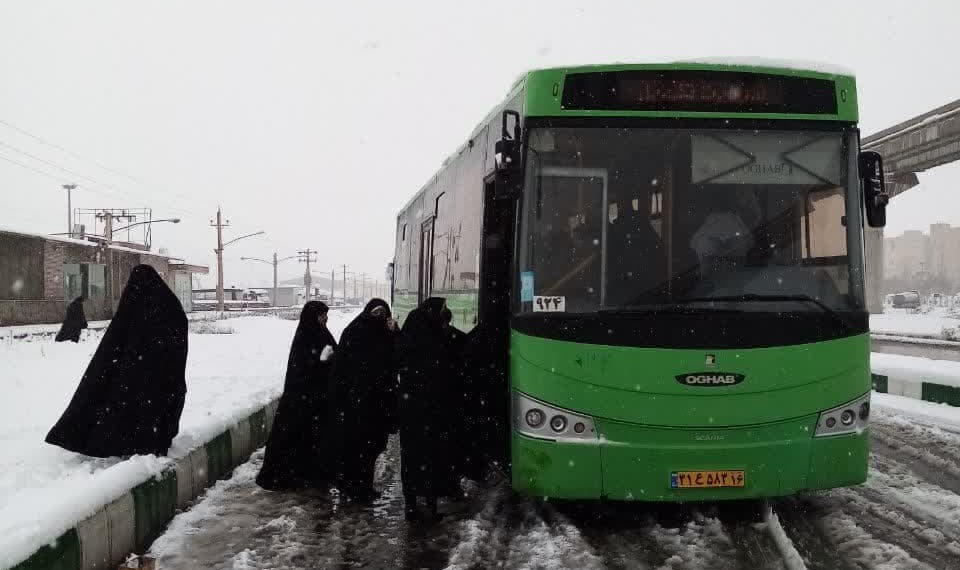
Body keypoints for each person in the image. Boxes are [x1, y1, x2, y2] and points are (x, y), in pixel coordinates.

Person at [45, 265, 187, 458]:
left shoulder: (135, 309)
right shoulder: (170, 307)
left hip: (142, 378)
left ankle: (137, 441)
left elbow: (116, 346)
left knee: (133, 403)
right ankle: (154, 439)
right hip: (166, 381)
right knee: (154, 408)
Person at [256, 301, 337, 491]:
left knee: (314, 439)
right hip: (300, 399)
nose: (325, 318)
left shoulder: (322, 333)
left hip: (317, 399)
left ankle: (311, 475)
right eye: (322, 315)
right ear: (312, 317)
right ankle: (290, 477)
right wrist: (322, 361)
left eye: (326, 315)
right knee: (295, 438)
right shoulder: (305, 336)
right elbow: (303, 366)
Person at [329, 298, 399, 501]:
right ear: (367, 312)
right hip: (356, 403)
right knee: (355, 447)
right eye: (375, 312)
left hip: (377, 402)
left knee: (370, 448)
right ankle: (351, 486)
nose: (379, 317)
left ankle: (362, 486)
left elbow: (397, 357)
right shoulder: (353, 332)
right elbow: (341, 369)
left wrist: (395, 332)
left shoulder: (385, 334)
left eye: (383, 313)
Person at [398, 297, 461, 519]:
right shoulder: (436, 338)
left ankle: (412, 504)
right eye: (442, 308)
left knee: (413, 458)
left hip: (412, 412)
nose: (445, 312)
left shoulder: (414, 336)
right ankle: (429, 504)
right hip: (430, 411)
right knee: (430, 456)